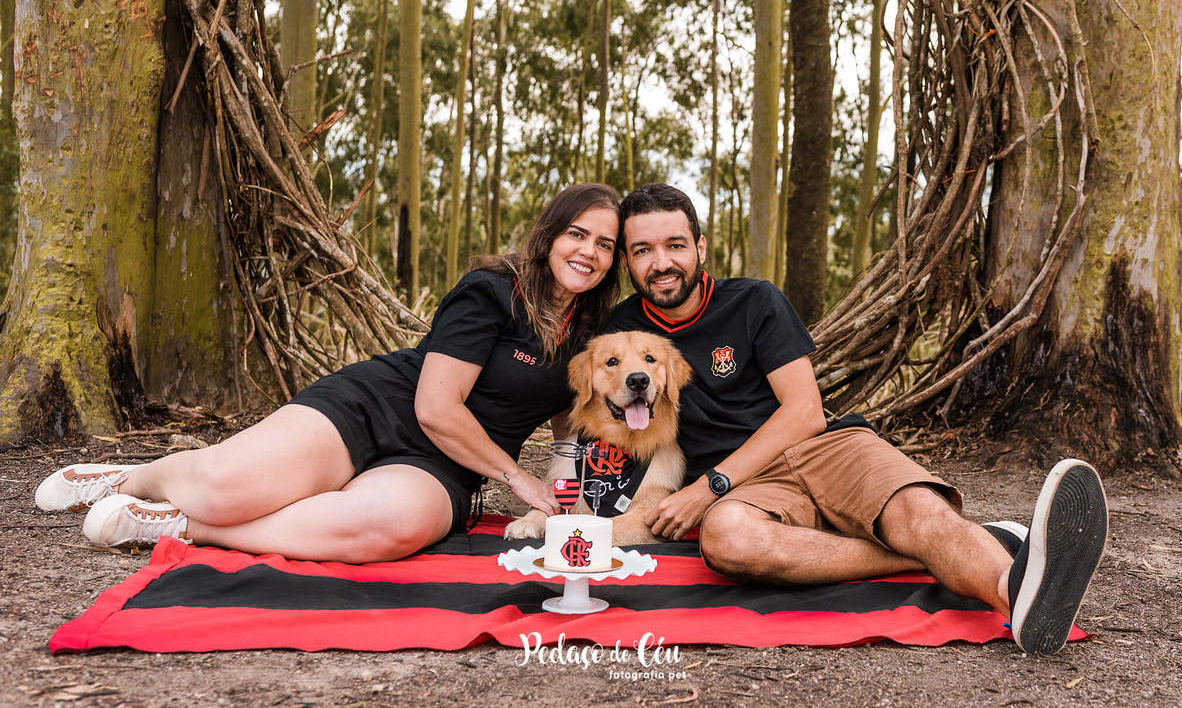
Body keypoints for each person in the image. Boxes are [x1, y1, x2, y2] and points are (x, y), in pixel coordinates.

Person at [603, 183, 1108, 656]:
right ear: (626, 260)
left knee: (919, 513)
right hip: (748, 493)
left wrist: (706, 486)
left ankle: (1015, 597)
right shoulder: (620, 332)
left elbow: (804, 411)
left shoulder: (754, 300)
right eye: (643, 250)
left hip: (823, 448)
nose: (661, 262)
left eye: (675, 245)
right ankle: (968, 548)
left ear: (701, 247)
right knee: (728, 539)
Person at [35, 183, 622, 563]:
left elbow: (568, 415)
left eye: (605, 244)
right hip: (380, 406)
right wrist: (520, 480)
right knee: (225, 488)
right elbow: (435, 409)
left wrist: (566, 485)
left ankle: (185, 527)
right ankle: (131, 480)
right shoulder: (493, 290)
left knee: (387, 529)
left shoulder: (594, 329)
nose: (588, 252)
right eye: (577, 234)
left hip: (447, 465)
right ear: (550, 236)